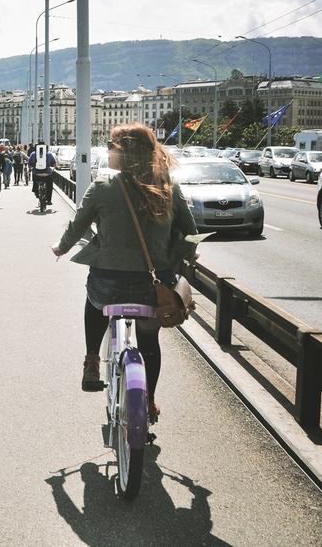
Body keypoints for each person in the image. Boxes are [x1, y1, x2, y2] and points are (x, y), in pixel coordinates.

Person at [50, 123, 198, 424]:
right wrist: (181, 255)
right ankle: (150, 401)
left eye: (111, 144)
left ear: (124, 152)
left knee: (94, 302)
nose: (107, 149)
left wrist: (60, 248)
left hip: (109, 285)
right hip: (153, 289)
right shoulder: (169, 187)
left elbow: (77, 227)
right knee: (149, 339)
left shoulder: (103, 188)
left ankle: (92, 358)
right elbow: (191, 236)